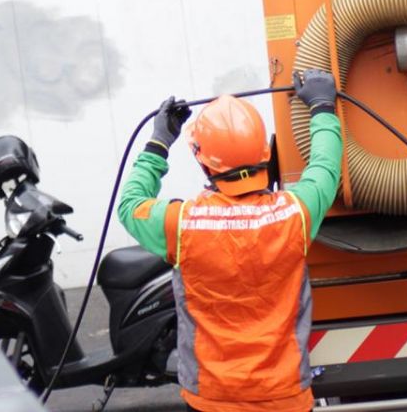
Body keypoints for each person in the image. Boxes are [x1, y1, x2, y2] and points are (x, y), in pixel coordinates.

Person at [117, 69, 343, 412]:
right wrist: (322, 106)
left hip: (211, 399)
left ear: (204, 164)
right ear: (265, 153)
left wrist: (159, 142)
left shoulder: (182, 224)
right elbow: (325, 168)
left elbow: (130, 204)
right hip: (284, 398)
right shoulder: (294, 214)